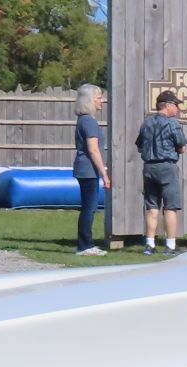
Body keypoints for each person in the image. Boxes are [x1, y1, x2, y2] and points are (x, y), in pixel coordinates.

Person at [134, 90, 187, 254]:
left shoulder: (146, 123)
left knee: (152, 206)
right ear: (168, 105)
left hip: (149, 167)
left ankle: (149, 244)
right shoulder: (173, 124)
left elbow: (139, 147)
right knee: (170, 207)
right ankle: (170, 245)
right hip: (167, 167)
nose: (178, 108)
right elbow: (182, 147)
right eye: (176, 105)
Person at [72, 83, 110, 256]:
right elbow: (93, 149)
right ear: (89, 100)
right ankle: (85, 246)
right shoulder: (89, 121)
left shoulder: (83, 120)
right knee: (89, 208)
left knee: (88, 207)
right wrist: (104, 173)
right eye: (98, 98)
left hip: (84, 169)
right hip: (88, 170)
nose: (102, 101)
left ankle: (85, 244)